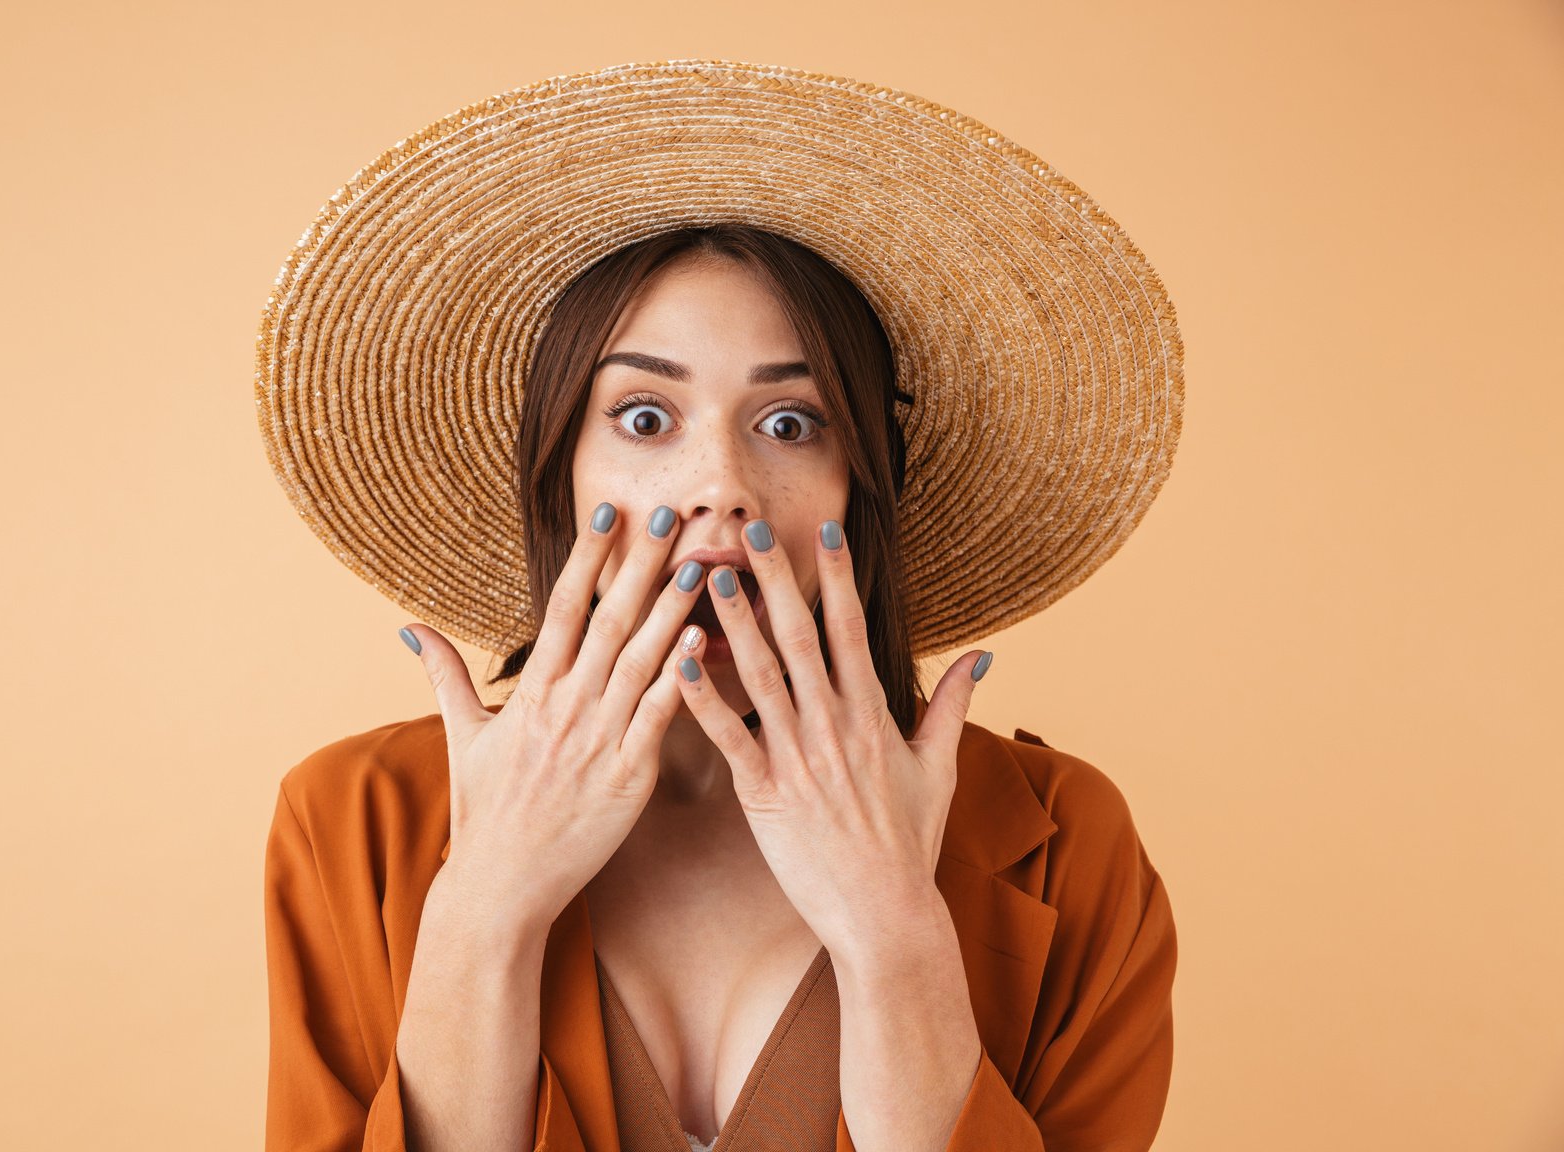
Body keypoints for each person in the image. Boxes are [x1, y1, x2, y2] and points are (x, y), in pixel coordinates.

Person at [258, 62, 1184, 1152]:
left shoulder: (1067, 843)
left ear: (862, 486)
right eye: (645, 418)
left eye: (791, 424)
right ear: (561, 469)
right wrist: (482, 911)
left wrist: (895, 936)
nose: (722, 487)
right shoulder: (354, 822)